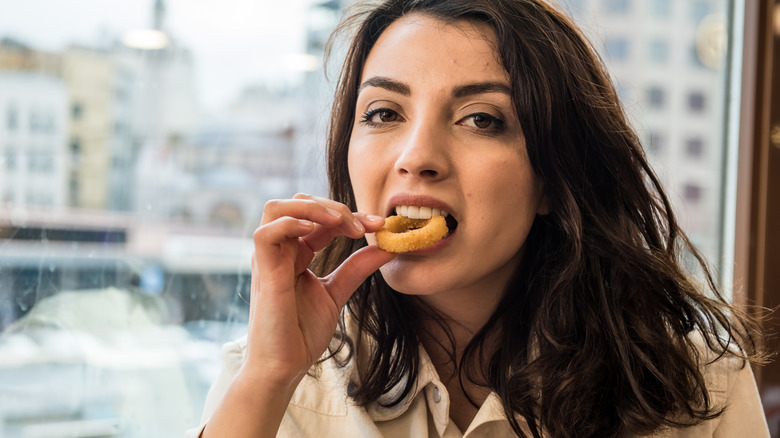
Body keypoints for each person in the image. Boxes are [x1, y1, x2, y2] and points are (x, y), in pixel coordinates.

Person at [186, 0, 770, 436]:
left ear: (553, 178)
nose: (415, 157)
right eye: (385, 112)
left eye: (481, 119)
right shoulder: (279, 371)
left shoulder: (698, 391)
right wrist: (267, 378)